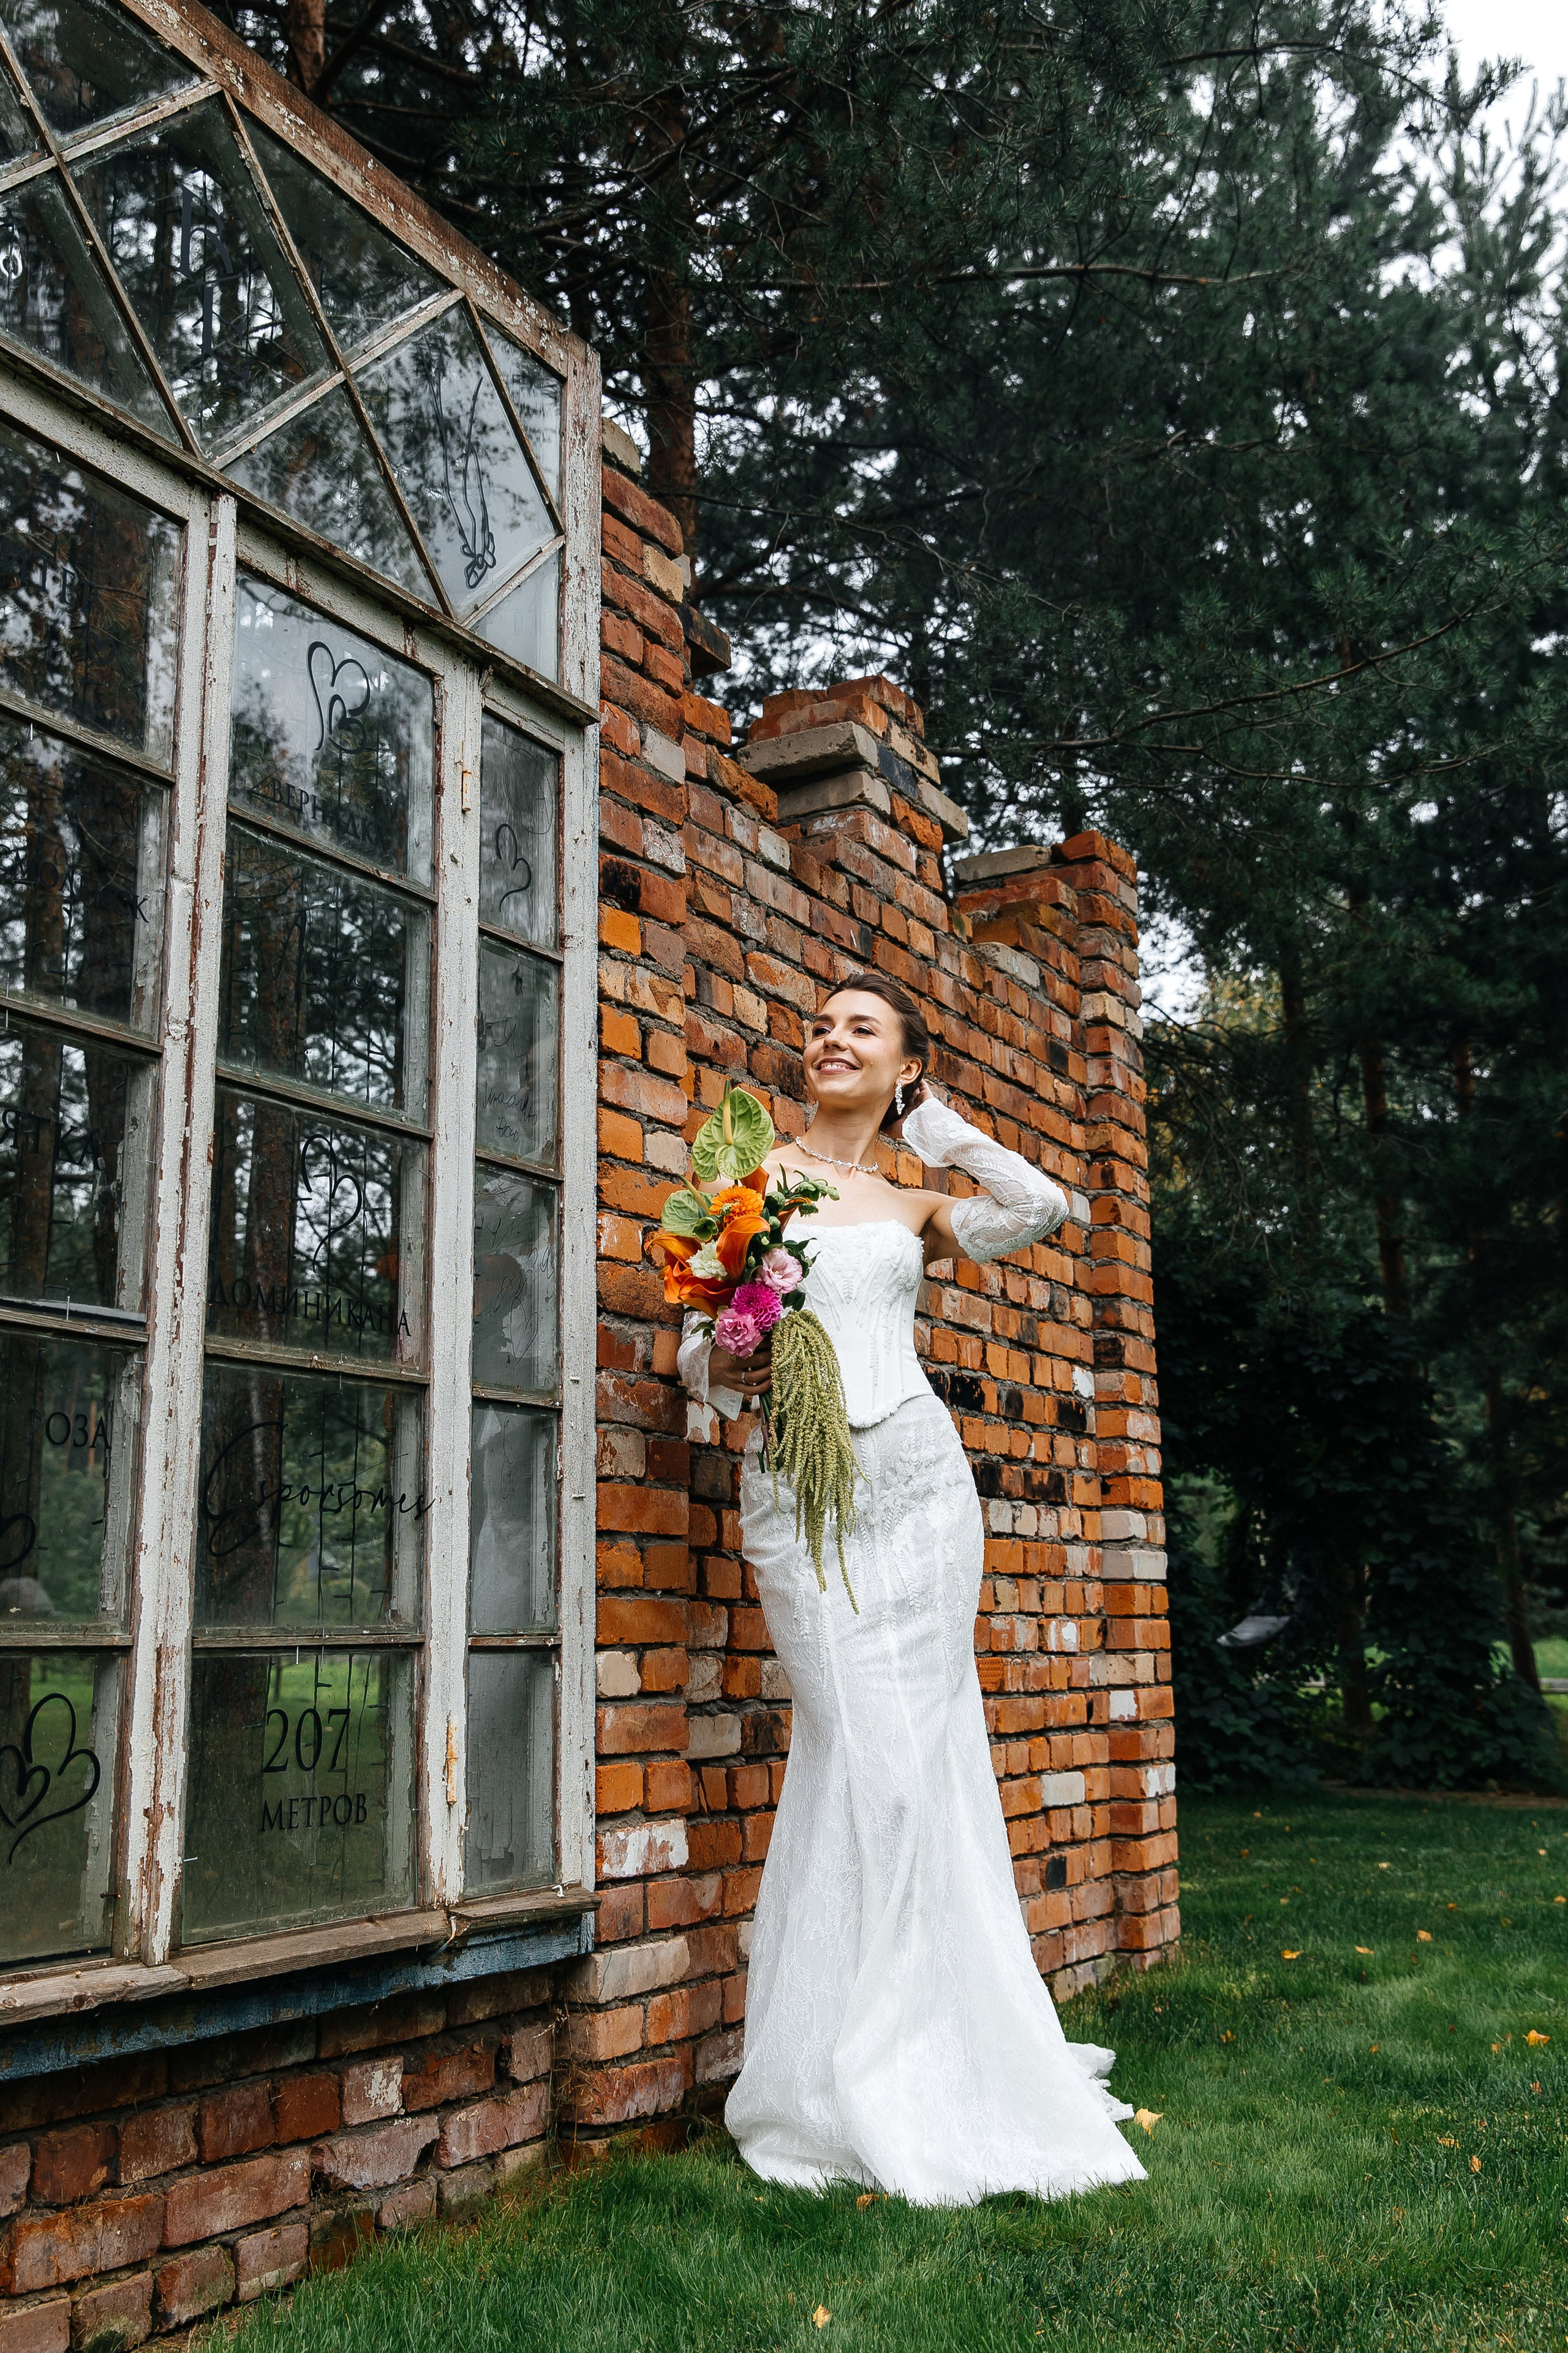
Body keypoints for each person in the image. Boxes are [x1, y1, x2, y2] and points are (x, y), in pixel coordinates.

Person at [677, 972, 1147, 2206]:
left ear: (899, 1066)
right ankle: (836, 2066)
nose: (827, 1034)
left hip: (922, 1496)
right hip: (800, 1494)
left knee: (923, 1753)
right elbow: (698, 1360)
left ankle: (927, 2046)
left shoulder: (914, 1196)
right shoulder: (744, 1182)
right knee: (863, 1753)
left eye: (859, 1028)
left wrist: (929, 1118)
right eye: (817, 1020)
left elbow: (1041, 1204)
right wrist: (732, 1341)